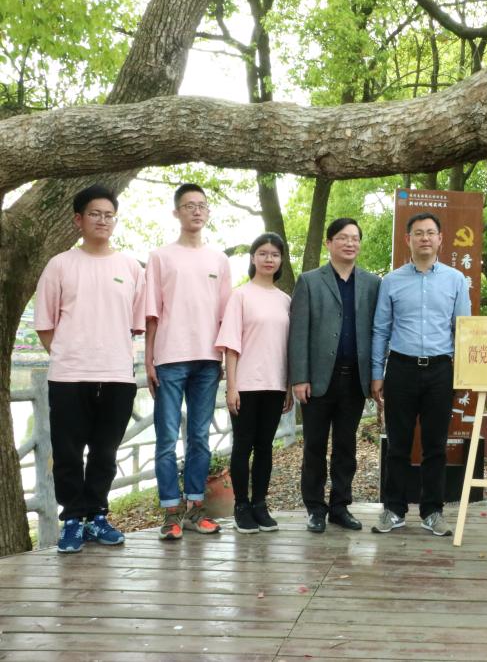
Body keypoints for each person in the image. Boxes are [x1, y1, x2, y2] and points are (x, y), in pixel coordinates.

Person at [34, 185, 145, 553]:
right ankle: (73, 520)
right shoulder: (60, 265)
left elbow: (135, 324)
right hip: (69, 376)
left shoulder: (130, 267)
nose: (102, 220)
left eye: (109, 215)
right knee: (67, 452)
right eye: (95, 214)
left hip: (117, 375)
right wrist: (68, 355)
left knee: (105, 451)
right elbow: (45, 324)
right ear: (78, 220)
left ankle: (97, 515)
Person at [370, 212, 470, 537]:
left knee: (435, 446)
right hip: (400, 368)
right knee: (397, 444)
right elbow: (381, 329)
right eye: (418, 233)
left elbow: (463, 330)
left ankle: (432, 511)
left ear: (440, 239)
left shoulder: (456, 280)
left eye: (430, 233)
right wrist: (377, 373)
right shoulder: (391, 281)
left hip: (440, 370)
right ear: (407, 239)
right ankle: (393, 510)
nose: (424, 238)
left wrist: (462, 374)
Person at [146, 183, 232, 540]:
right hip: (170, 358)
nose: (196, 211)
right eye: (188, 205)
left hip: (208, 360)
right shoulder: (160, 257)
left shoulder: (219, 260)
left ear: (208, 212)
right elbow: (152, 312)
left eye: (202, 205)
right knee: (166, 439)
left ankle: (197, 510)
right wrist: (149, 360)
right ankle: (171, 514)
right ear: (176, 212)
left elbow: (226, 315)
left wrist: (223, 356)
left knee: (199, 437)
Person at [288, 218, 380, 533]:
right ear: (329, 243)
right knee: (314, 446)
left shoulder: (372, 283)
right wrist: (299, 377)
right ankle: (315, 508)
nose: (350, 243)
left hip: (355, 378)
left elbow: (377, 331)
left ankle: (340, 506)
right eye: (342, 237)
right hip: (317, 379)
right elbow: (298, 332)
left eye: (355, 238)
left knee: (346, 446)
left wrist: (376, 375)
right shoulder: (310, 281)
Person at [215, 233, 293, 534]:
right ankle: (241, 506)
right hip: (246, 384)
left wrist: (288, 387)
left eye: (275, 254)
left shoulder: (285, 300)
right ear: (253, 258)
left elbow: (288, 347)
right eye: (263, 253)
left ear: (281, 260)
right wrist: (232, 386)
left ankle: (260, 504)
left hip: (275, 384)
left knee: (265, 447)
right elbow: (231, 345)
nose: (268, 259)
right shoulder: (240, 296)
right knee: (243, 445)